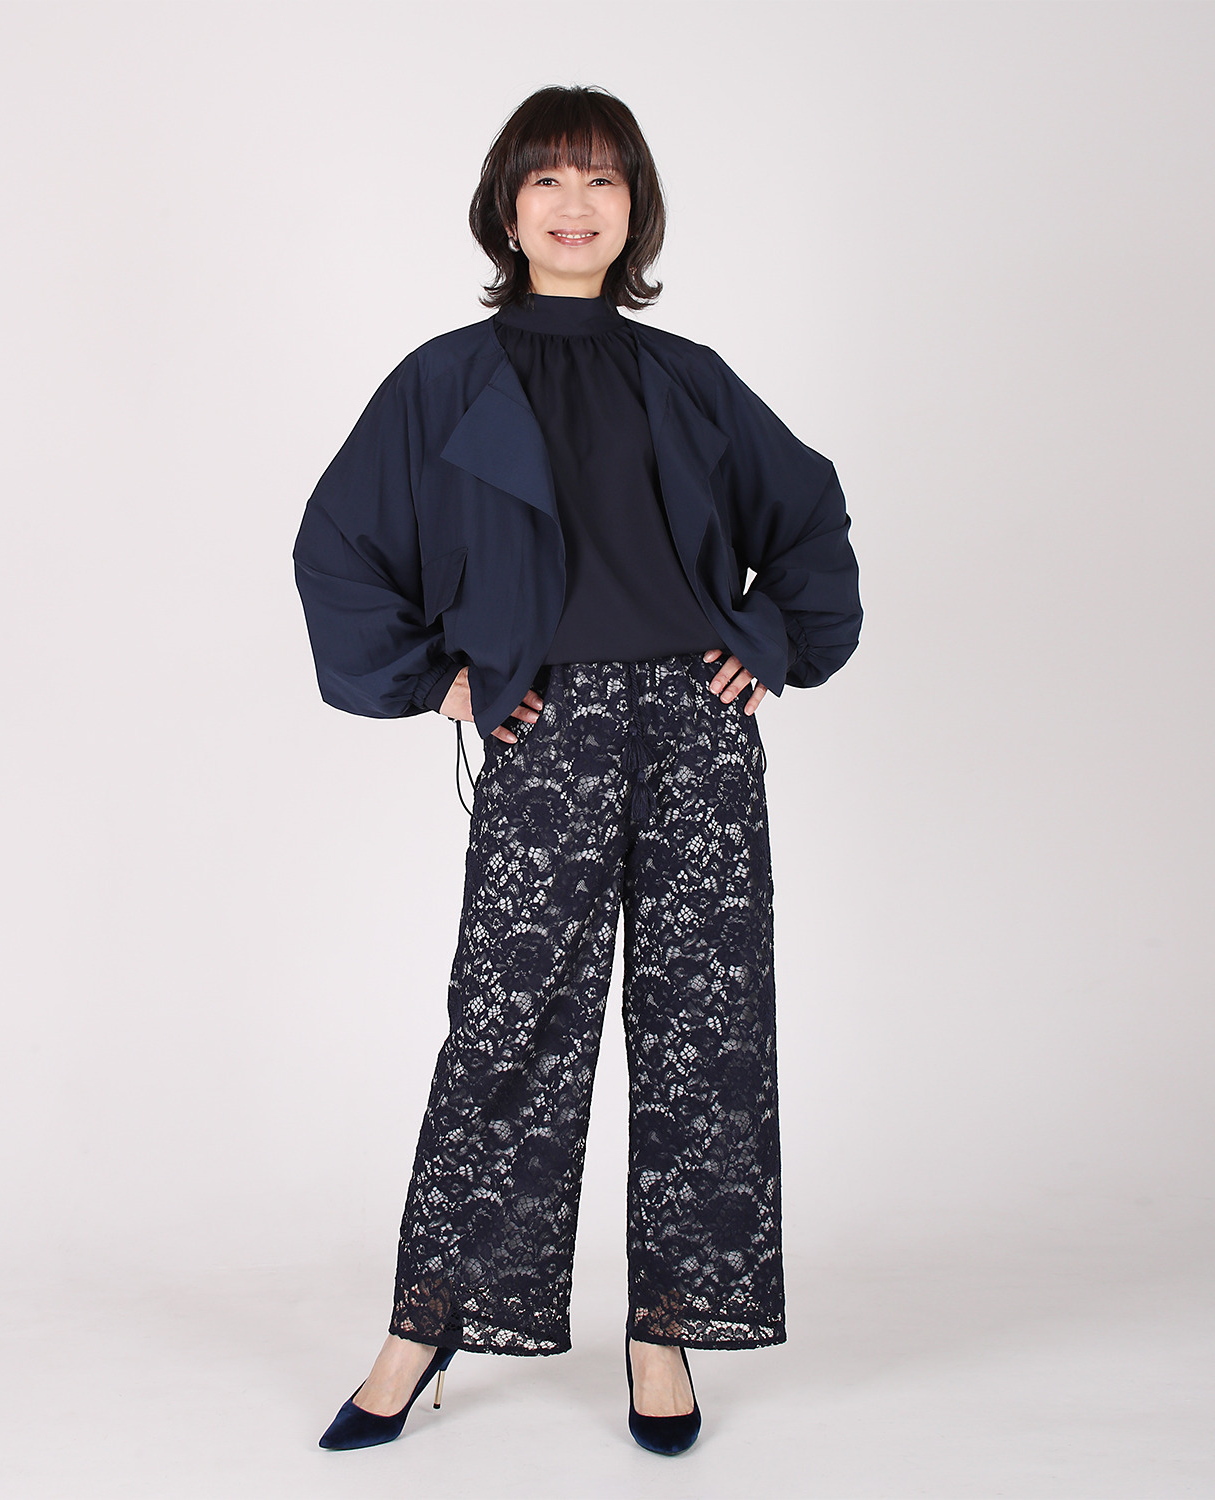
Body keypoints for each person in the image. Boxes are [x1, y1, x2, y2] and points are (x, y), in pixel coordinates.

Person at [292, 84, 862, 1456]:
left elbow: (808, 517)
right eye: (547, 178)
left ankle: (666, 1327)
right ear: (506, 208)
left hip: (696, 729)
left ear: (635, 210)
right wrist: (437, 679)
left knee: (705, 1035)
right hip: (542, 730)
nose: (574, 204)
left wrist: (768, 641)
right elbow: (338, 546)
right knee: (509, 1032)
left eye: (603, 180)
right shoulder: (444, 380)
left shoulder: (688, 377)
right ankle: (427, 1325)